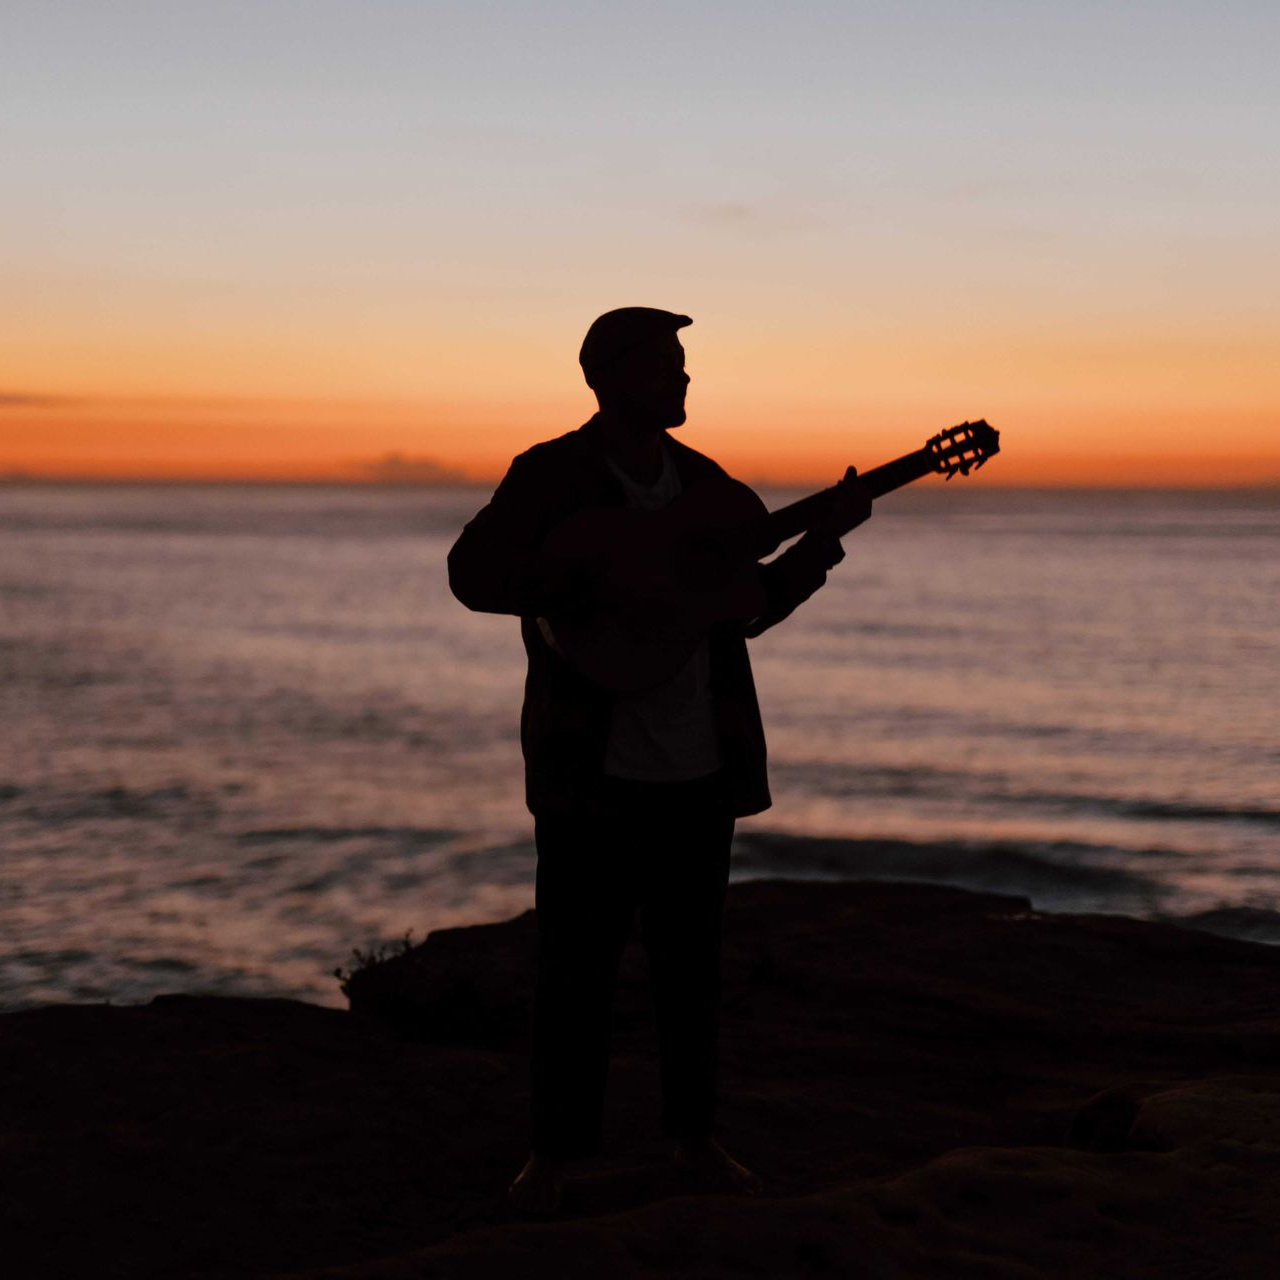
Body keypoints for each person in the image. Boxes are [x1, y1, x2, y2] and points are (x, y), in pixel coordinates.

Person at [447, 307, 872, 1214]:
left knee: (692, 967)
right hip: (588, 770)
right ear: (611, 378)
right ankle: (557, 1157)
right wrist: (596, 580)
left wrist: (824, 540)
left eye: (684, 366)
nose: (684, 382)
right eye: (668, 367)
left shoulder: (709, 487)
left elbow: (744, 608)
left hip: (697, 767)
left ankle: (695, 1141)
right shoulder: (552, 476)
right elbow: (472, 573)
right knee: (576, 969)